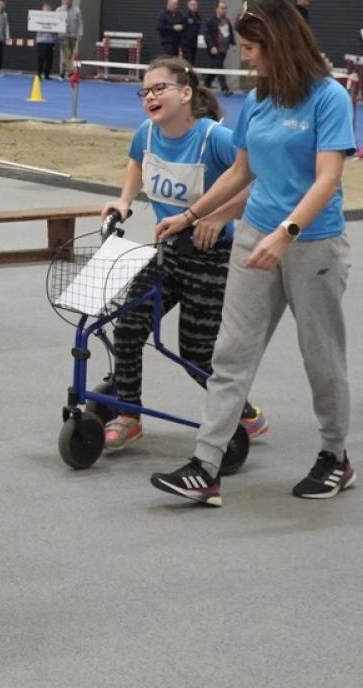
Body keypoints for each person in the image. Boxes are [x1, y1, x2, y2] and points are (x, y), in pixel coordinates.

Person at [149, 0, 357, 507]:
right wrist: (193, 214)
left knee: (321, 356)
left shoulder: (329, 98)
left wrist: (286, 232)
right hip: (254, 236)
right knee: (231, 352)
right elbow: (243, 172)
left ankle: (335, 457)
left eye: (250, 47)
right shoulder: (260, 100)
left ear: (279, 44)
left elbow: (328, 178)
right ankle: (206, 466)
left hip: (313, 245)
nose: (244, 57)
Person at [99, 57, 269, 454]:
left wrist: (221, 215)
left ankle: (244, 412)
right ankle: (129, 415)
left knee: (196, 351)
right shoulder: (148, 132)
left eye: (160, 89)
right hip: (168, 253)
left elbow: (259, 177)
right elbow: (136, 162)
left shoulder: (214, 138)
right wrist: (124, 201)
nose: (150, 98)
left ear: (186, 93)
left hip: (212, 257)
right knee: (127, 326)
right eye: (145, 92)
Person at [203, 2, 233, 94]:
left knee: (214, 67)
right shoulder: (211, 21)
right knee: (219, 67)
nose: (224, 10)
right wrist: (211, 46)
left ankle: (207, 83)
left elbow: (230, 33)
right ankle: (225, 88)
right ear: (217, 9)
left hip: (224, 49)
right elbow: (206, 35)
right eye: (222, 8)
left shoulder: (227, 21)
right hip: (214, 49)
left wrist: (233, 43)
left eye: (225, 8)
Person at [60, 0, 83, 74]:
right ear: (64, 0)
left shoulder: (77, 10)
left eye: (69, 0)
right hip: (63, 36)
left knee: (69, 55)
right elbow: (54, 21)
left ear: (72, 0)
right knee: (67, 53)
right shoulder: (59, 10)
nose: (67, 1)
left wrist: (80, 33)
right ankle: (71, 71)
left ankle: (63, 71)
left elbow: (80, 23)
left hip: (73, 36)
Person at [35, 1, 58, 80]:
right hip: (41, 40)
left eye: (48, 8)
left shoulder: (54, 18)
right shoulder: (37, 17)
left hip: (51, 41)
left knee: (49, 59)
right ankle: (39, 74)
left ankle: (47, 74)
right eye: (45, 8)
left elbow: (57, 28)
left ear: (51, 9)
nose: (47, 9)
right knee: (41, 58)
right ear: (42, 9)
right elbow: (33, 24)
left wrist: (55, 40)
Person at [180, 0, 202, 64]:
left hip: (194, 43)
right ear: (189, 6)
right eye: (193, 5)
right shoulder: (185, 17)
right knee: (187, 61)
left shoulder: (198, 17)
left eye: (196, 5)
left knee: (192, 61)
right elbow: (181, 30)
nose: (195, 6)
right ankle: (186, 73)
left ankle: (190, 73)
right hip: (186, 43)